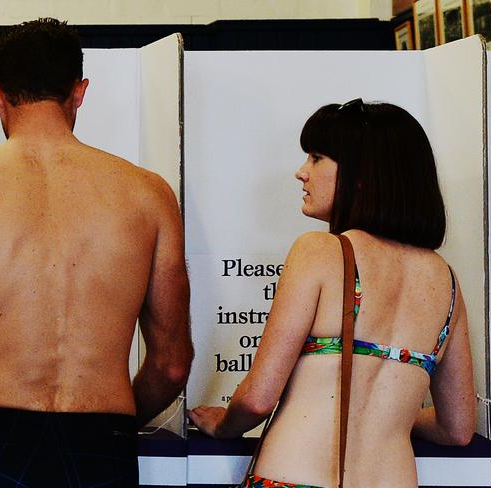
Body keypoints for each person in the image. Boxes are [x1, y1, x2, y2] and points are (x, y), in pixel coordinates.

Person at [0, 18, 193, 487]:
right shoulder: (149, 195)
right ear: (79, 91)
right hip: (103, 438)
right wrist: (114, 420)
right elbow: (170, 365)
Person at [189, 99, 475, 487]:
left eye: (317, 157)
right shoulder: (447, 281)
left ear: (361, 175)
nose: (301, 172)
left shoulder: (321, 252)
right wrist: (394, 413)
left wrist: (223, 425)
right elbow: (456, 427)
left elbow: (258, 398)